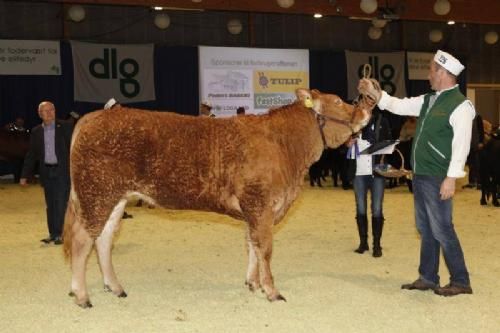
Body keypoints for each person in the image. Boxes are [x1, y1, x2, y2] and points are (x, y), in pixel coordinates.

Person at [358, 50, 474, 296]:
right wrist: (374, 93)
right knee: (426, 227)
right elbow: (398, 105)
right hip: (421, 175)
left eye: (432, 70)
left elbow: (461, 145)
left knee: (442, 228)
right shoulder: (430, 99)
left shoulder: (461, 105)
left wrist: (451, 178)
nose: (429, 74)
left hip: (438, 176)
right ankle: (428, 277)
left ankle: (461, 281)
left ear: (443, 73)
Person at [20, 101, 74, 245]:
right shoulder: (36, 131)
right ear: (40, 114)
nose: (50, 113)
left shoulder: (66, 127)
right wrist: (24, 175)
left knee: (61, 203)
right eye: (46, 111)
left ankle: (62, 234)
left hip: (63, 171)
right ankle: (53, 233)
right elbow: (31, 154)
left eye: (52, 110)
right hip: (46, 172)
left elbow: (74, 148)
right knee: (50, 205)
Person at [345, 107, 392, 257]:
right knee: (360, 208)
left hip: (376, 171)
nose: (366, 106)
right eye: (363, 102)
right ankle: (363, 242)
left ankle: (377, 245)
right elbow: (342, 143)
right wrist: (347, 142)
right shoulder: (352, 123)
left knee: (377, 208)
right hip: (358, 172)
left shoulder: (381, 121)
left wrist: (380, 149)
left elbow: (389, 143)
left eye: (369, 102)